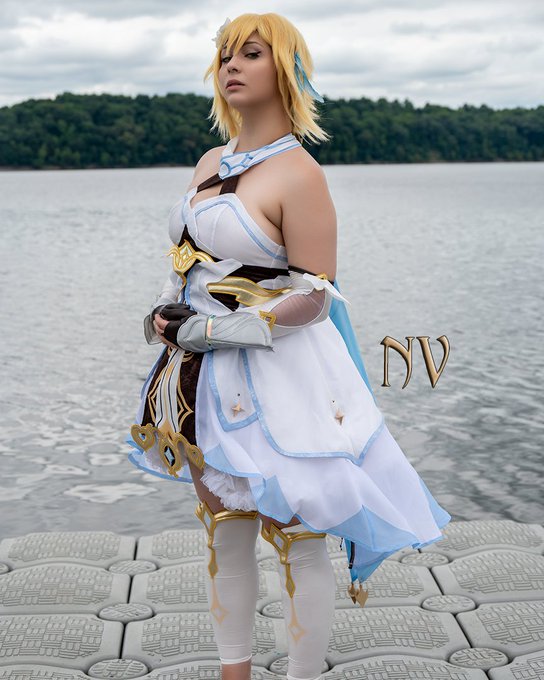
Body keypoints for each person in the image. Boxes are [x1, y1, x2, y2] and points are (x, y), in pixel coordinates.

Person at [127, 12, 451, 680]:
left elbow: (314, 297)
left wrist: (213, 331)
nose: (232, 65)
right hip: (201, 383)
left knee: (301, 542)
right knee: (225, 533)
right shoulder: (210, 162)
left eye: (251, 53)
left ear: (286, 69)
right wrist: (165, 314)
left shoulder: (301, 173)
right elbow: (187, 264)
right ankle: (234, 672)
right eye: (225, 55)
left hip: (287, 381)